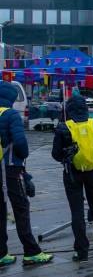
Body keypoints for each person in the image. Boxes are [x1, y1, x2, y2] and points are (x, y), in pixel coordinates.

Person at [52, 94, 93, 262]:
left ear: (69, 109)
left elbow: (56, 155)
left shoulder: (64, 128)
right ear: (86, 108)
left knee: (77, 212)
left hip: (72, 174)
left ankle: (81, 251)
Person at [0, 81, 53, 266]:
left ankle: (1, 253)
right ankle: (31, 251)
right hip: (11, 168)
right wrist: (24, 156)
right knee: (21, 208)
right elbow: (20, 143)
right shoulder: (11, 114)